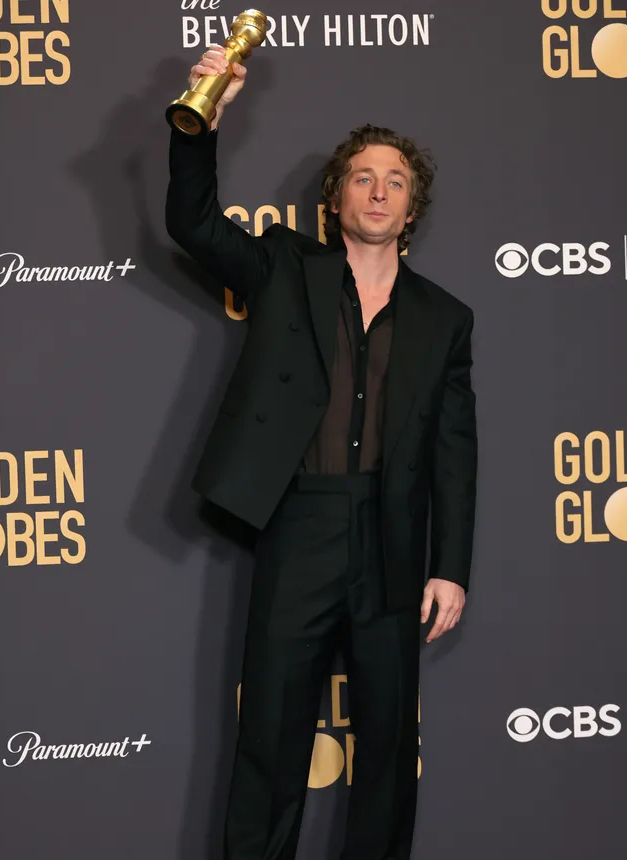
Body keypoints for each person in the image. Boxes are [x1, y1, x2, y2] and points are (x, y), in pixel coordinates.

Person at [165, 45, 478, 860]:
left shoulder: (447, 319)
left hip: (394, 541)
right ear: (337, 197)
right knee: (270, 737)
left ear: (412, 210)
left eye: (396, 182)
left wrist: (451, 566)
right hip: (299, 525)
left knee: (386, 756)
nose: (379, 190)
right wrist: (207, 115)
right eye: (363, 177)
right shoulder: (280, 268)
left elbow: (455, 448)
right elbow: (192, 223)